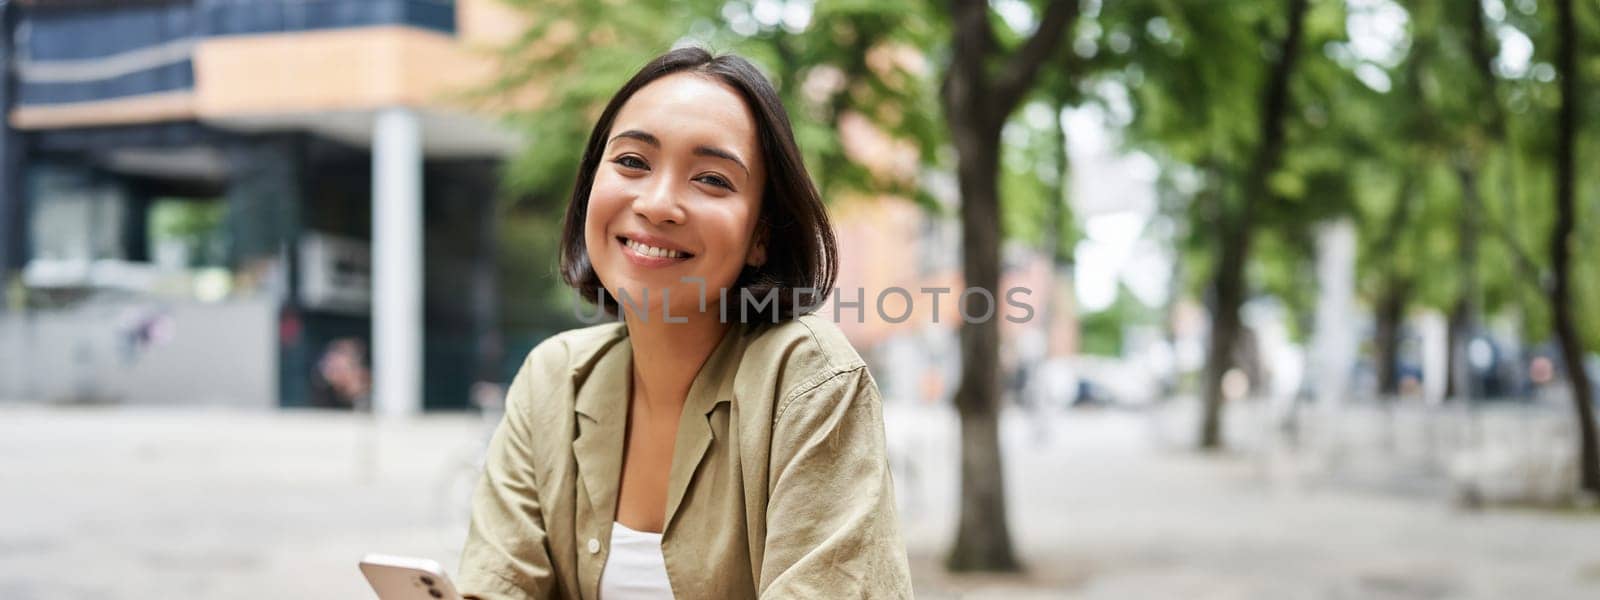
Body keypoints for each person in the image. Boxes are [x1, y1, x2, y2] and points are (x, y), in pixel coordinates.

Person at [456, 47, 913, 599]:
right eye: (631, 162)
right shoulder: (552, 379)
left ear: (761, 235)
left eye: (713, 179)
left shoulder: (810, 381)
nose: (658, 204)